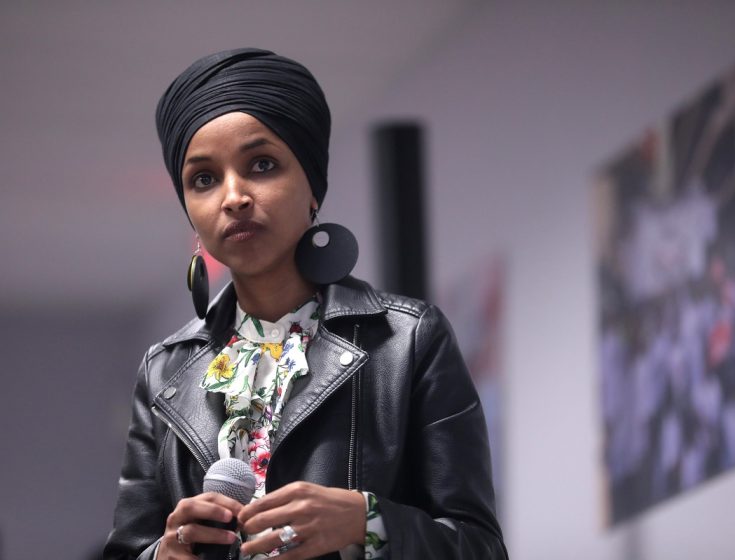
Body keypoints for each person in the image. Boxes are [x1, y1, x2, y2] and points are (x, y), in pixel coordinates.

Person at [104, 48, 507, 560]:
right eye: (204, 179)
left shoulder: (409, 340)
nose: (233, 196)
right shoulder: (163, 371)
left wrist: (366, 522)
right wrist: (163, 553)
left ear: (312, 187)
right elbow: (129, 548)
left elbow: (480, 548)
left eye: (262, 165)